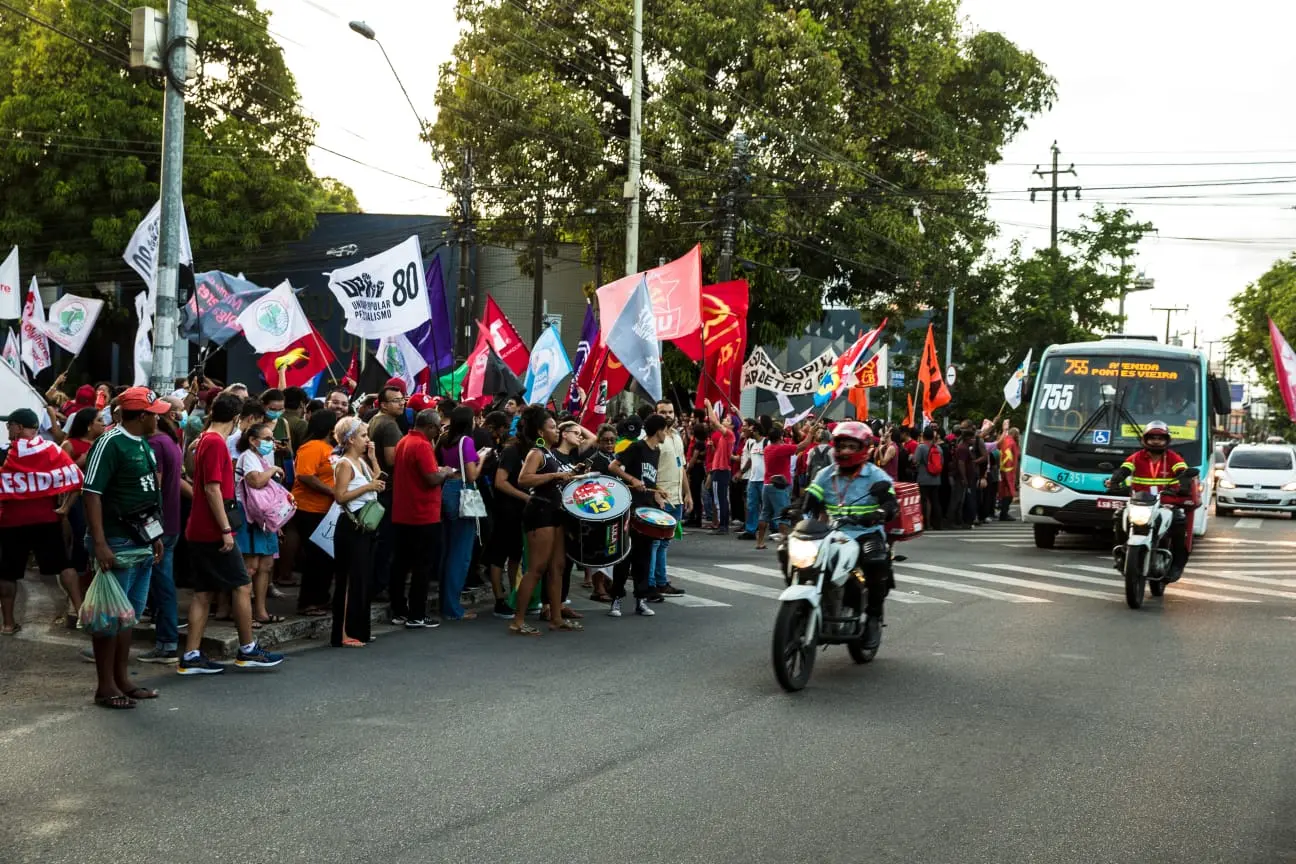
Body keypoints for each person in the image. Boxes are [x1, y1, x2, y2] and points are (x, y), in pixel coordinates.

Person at [180, 393, 285, 675]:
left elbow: (193, 474)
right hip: (214, 528)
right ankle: (248, 648)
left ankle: (191, 654)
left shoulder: (203, 439)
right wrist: (226, 529)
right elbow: (212, 488)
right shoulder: (213, 442)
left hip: (202, 526)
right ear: (238, 418)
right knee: (241, 584)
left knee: (203, 593)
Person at [80, 388, 169, 706]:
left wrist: (155, 536)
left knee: (128, 615)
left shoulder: (143, 443)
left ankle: (122, 679)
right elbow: (91, 493)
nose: (160, 417)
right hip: (116, 542)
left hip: (141, 540)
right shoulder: (109, 442)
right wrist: (100, 543)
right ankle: (106, 686)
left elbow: (146, 497)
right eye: (155, 412)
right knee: (110, 616)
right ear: (142, 416)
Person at [801, 421, 898, 651]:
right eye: (842, 446)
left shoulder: (877, 475)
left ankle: (873, 617)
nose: (845, 451)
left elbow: (891, 504)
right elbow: (810, 501)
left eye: (851, 447)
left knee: (875, 561)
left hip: (866, 533)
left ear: (863, 448)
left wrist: (881, 512)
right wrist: (795, 511)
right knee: (792, 552)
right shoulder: (825, 474)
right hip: (832, 533)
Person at [0, 409, 82, 636]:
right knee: (63, 566)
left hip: (11, 522)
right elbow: (77, 479)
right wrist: (64, 508)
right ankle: (81, 614)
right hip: (47, 519)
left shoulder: (5, 455)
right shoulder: (52, 450)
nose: (8, 430)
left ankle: (7, 624)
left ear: (18, 427)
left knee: (7, 573)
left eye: (10, 426)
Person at [390, 408, 455, 628]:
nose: (439, 431)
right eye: (438, 428)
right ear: (430, 427)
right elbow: (431, 478)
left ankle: (399, 610)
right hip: (422, 515)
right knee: (421, 567)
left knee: (400, 564)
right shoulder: (422, 445)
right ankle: (416, 613)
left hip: (403, 513)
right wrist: (445, 471)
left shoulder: (404, 441)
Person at [1105, 421, 1193, 581]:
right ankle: (1121, 553)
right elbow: (1124, 470)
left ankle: (1177, 564)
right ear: (1145, 439)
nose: (1156, 441)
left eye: (1160, 438)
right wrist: (1115, 480)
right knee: (1119, 516)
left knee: (1179, 521)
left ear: (1167, 440)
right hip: (1140, 502)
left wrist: (1185, 485)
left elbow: (1183, 472)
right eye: (1152, 437)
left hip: (1166, 502)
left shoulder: (1173, 458)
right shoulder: (1136, 457)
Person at [137, 407, 188, 664]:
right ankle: (166, 639)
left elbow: (151, 488)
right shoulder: (169, 441)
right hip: (169, 524)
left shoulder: (155, 445)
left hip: (156, 527)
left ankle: (167, 643)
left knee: (159, 584)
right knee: (161, 583)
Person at [608, 413, 672, 618]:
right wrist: (632, 479)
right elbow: (613, 466)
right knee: (624, 556)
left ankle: (641, 600)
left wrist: (658, 492)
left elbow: (649, 481)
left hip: (648, 510)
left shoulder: (657, 451)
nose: (667, 434)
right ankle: (616, 600)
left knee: (643, 557)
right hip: (630, 508)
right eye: (666, 430)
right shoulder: (637, 447)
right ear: (659, 430)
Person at [332, 416, 384, 647]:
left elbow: (377, 480)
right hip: (351, 526)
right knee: (349, 580)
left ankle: (359, 629)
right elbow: (339, 496)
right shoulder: (344, 464)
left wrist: (373, 459)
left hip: (365, 526)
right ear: (350, 439)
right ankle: (344, 633)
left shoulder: (360, 462)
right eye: (363, 435)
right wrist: (368, 486)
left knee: (363, 578)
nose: (367, 440)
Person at [437, 406, 488, 622]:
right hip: (462, 493)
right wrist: (483, 456)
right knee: (460, 553)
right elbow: (472, 474)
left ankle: (447, 603)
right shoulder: (466, 442)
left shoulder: (443, 439)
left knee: (448, 550)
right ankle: (453, 608)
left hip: (446, 490)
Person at [234, 422, 286, 628]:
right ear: (253, 441)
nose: (270, 443)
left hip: (263, 517)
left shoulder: (260, 458)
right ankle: (246, 615)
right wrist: (273, 469)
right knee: (251, 566)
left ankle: (261, 612)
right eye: (266, 439)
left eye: (271, 438)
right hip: (249, 515)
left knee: (266, 565)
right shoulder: (248, 457)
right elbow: (255, 481)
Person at [291, 410, 340, 615]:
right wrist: (331, 491)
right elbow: (305, 475)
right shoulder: (312, 447)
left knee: (325, 557)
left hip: (326, 510)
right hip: (309, 509)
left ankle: (320, 598)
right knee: (316, 558)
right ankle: (308, 602)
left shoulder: (329, 448)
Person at [647, 400, 690, 598]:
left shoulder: (676, 436)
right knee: (654, 542)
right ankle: (650, 585)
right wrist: (654, 492)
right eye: (663, 412)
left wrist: (687, 493)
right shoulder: (648, 438)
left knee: (665, 543)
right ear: (655, 413)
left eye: (670, 412)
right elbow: (646, 471)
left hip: (676, 497)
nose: (668, 415)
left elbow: (681, 466)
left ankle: (661, 581)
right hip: (659, 498)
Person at [756, 425, 801, 551]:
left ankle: (759, 542)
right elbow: (802, 445)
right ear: (780, 437)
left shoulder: (768, 449)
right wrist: (811, 433)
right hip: (779, 486)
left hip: (767, 484)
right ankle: (784, 544)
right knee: (783, 515)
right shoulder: (782, 449)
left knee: (765, 513)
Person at [703, 401, 734, 534]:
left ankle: (723, 526)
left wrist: (709, 405)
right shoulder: (723, 436)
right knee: (721, 499)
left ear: (732, 426)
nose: (724, 421)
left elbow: (714, 422)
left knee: (719, 500)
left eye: (727, 420)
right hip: (720, 469)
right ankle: (723, 525)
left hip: (721, 470)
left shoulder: (729, 435)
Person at [914, 427, 943, 531]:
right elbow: (941, 463)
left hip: (923, 479)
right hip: (936, 479)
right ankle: (937, 524)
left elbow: (915, 461)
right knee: (935, 501)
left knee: (924, 501)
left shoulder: (921, 447)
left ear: (923, 436)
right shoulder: (939, 448)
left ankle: (925, 523)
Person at [997, 427, 1020, 521]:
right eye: (1018, 434)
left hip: (1004, 471)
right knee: (1008, 494)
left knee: (1005, 493)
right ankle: (1004, 514)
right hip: (1008, 471)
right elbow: (1009, 459)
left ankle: (1003, 512)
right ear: (1014, 434)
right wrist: (1010, 475)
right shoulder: (1011, 443)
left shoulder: (1005, 441)